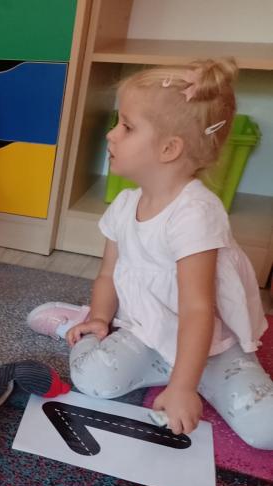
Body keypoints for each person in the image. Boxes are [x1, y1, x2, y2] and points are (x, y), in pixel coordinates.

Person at [27, 59, 273, 449]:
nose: (111, 134)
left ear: (169, 149)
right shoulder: (125, 205)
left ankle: (187, 375)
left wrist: (183, 387)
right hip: (147, 331)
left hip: (211, 345)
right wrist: (100, 318)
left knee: (265, 429)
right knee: (92, 381)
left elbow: (197, 309)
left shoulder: (196, 213)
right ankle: (78, 322)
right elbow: (108, 274)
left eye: (126, 126)